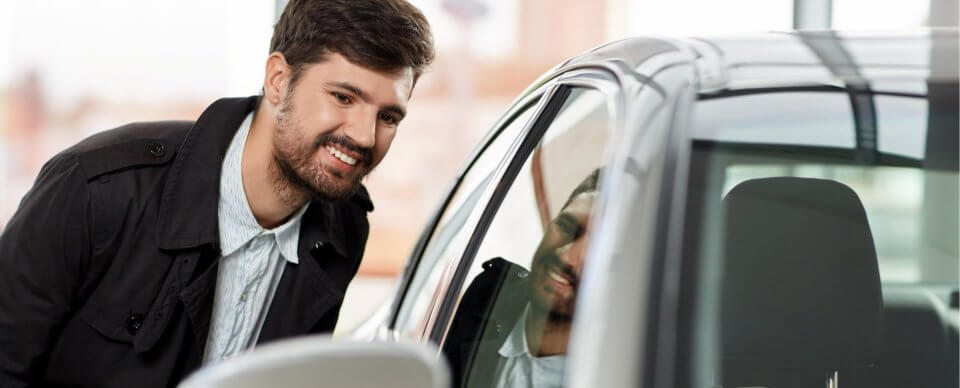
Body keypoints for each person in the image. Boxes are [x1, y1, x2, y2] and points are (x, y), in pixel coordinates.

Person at [0, 1, 434, 387]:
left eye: (389, 117)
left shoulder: (343, 232)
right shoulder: (98, 187)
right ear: (279, 80)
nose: (364, 135)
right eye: (343, 97)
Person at [443, 170, 599, 388]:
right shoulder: (488, 295)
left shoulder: (626, 369)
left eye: (597, 247)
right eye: (565, 226)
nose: (565, 255)